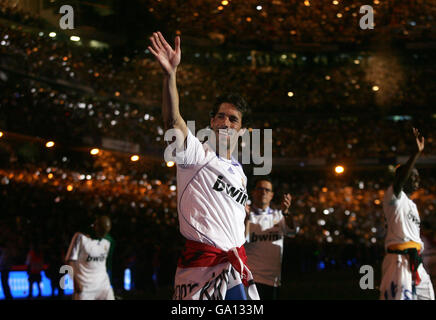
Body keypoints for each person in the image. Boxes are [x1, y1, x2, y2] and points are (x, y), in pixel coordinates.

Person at [148, 31, 259, 300]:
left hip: (235, 264)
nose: (225, 122)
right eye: (220, 116)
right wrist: (169, 75)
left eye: (233, 119)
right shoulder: (197, 154)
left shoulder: (240, 172)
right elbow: (173, 122)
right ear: (211, 123)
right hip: (202, 265)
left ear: (242, 131)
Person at [379, 128, 435, 300]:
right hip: (398, 261)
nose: (417, 180)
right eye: (413, 176)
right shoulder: (394, 197)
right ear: (403, 179)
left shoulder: (411, 205)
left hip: (416, 261)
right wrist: (416, 154)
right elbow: (400, 179)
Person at [245, 178, 298, 300]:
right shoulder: (245, 214)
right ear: (253, 192)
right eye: (260, 189)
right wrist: (246, 219)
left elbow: (292, 231)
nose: (263, 192)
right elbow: (243, 239)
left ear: (271, 195)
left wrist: (286, 212)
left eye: (267, 190)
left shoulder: (279, 215)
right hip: (250, 279)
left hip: (273, 280)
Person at [65, 215, 115, 300]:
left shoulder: (109, 241)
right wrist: (75, 281)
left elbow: (107, 264)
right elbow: (69, 260)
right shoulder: (80, 237)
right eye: (101, 231)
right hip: (84, 287)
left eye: (105, 232)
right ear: (95, 226)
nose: (103, 234)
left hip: (103, 286)